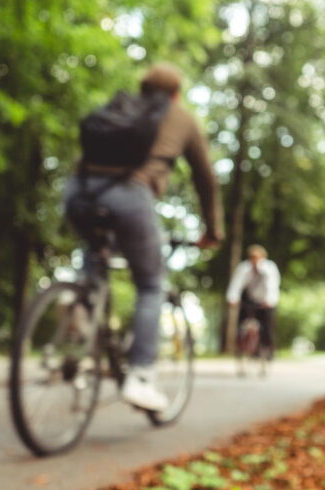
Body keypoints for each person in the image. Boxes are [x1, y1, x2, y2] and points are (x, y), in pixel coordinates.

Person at [64, 63, 223, 411]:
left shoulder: (121, 106)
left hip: (79, 190)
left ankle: (80, 305)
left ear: (143, 87)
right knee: (151, 284)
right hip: (129, 196)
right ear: (175, 93)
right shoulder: (181, 116)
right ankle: (140, 377)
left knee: (96, 254)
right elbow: (205, 178)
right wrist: (213, 230)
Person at [226, 245, 280, 360]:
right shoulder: (244, 268)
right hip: (250, 299)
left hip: (265, 300)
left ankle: (267, 347)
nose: (254, 261)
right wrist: (233, 298)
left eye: (257, 258)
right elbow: (236, 285)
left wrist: (269, 300)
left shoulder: (269, 268)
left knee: (267, 325)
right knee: (242, 321)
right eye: (252, 258)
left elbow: (272, 286)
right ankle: (241, 345)